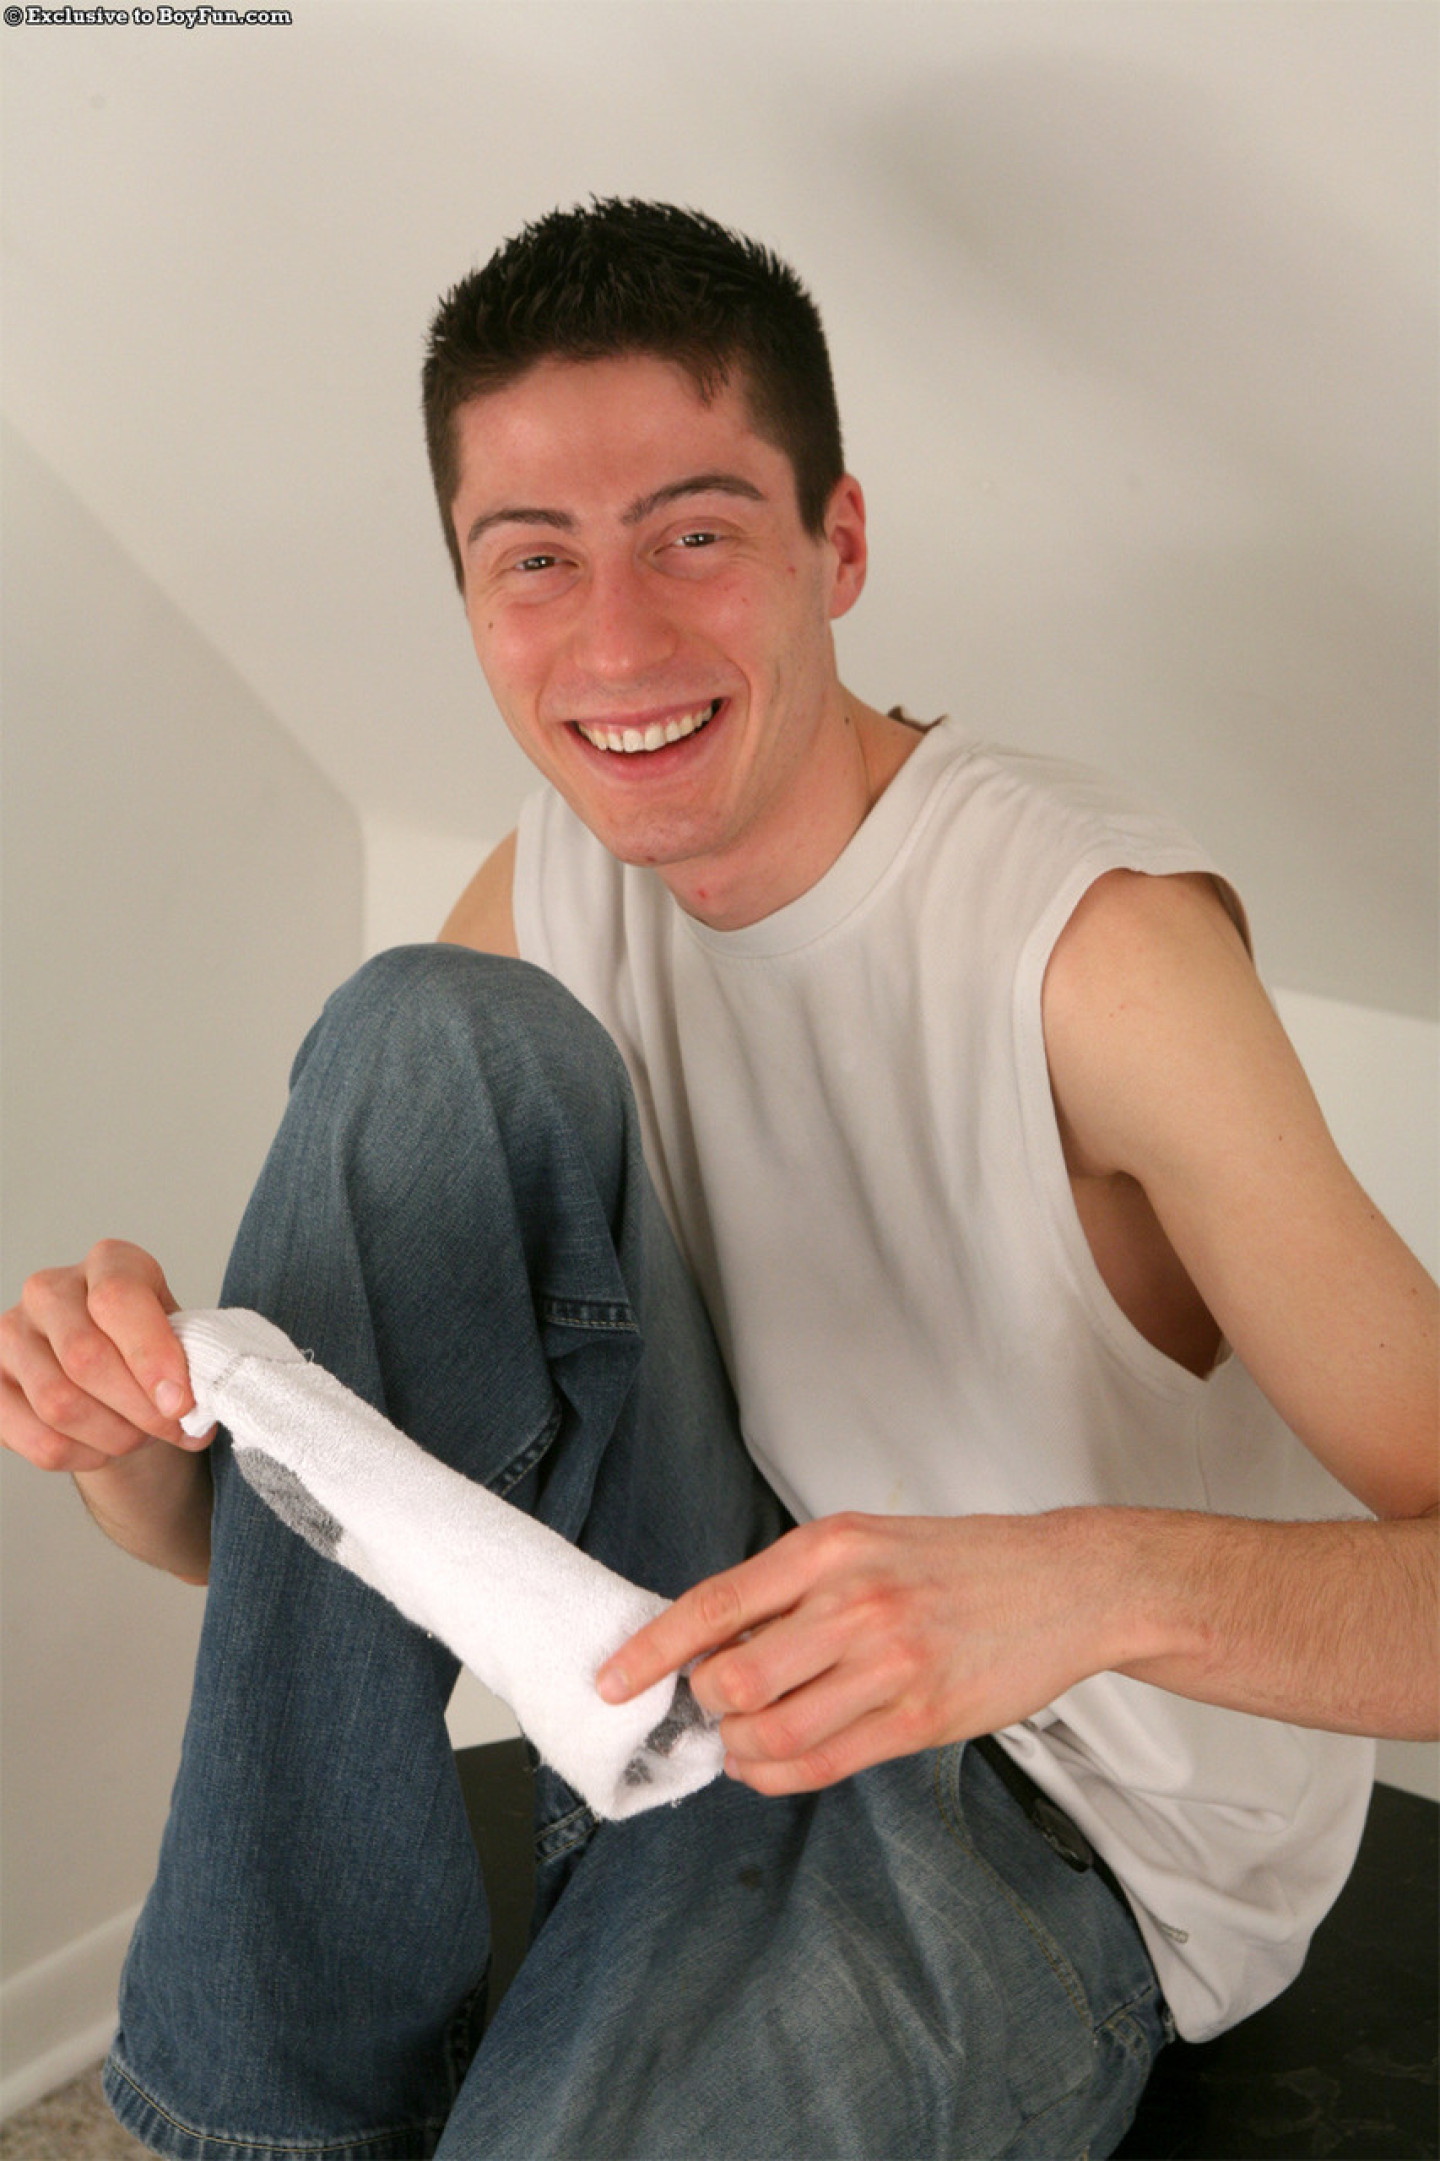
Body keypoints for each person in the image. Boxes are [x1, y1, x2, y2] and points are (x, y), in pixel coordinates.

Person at [2, 200, 1434, 2161]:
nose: (616, 642)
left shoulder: (1098, 959)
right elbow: (303, 1562)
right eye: (535, 558)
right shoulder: (546, 890)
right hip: (694, 1651)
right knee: (416, 1030)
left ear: (837, 544)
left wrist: (1080, 1585)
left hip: (1045, 1802)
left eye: (693, 533)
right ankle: (276, 2123)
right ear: (467, 591)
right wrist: (124, 1436)